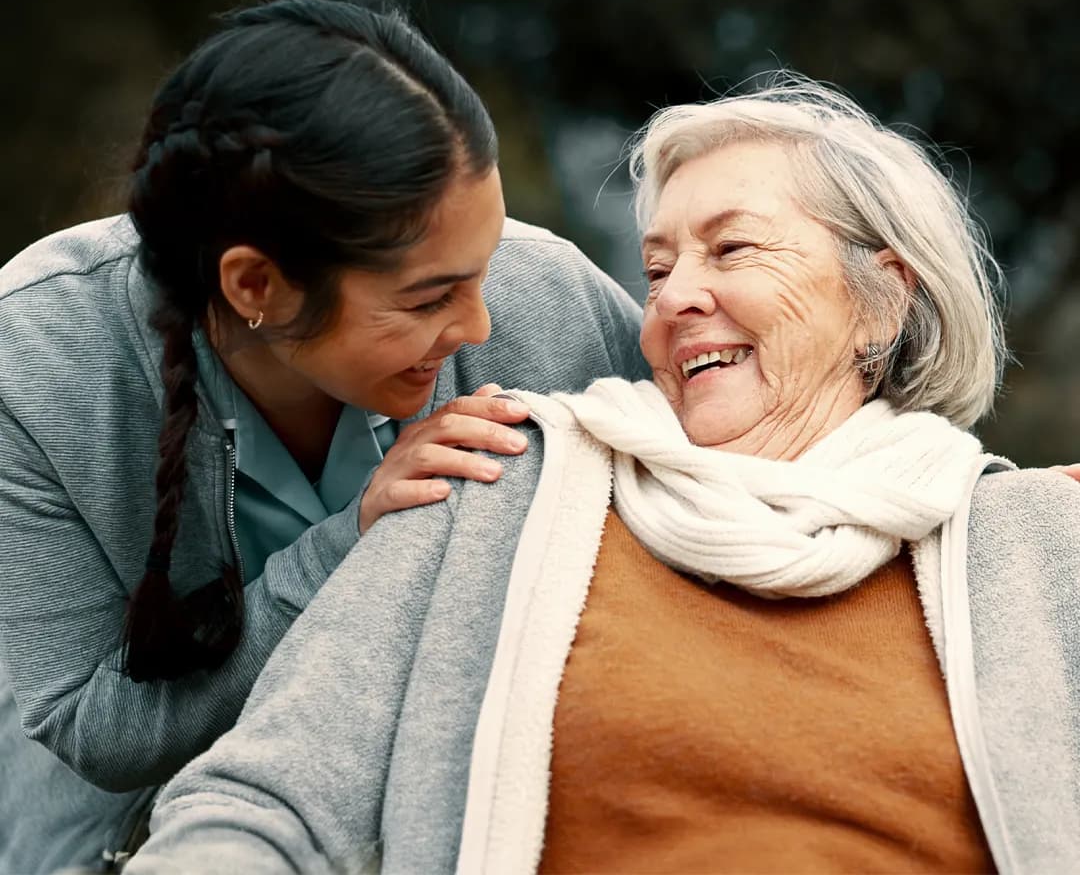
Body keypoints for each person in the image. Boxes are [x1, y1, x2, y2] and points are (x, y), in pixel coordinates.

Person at [129, 77, 1080, 875]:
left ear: (884, 301)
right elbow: (264, 806)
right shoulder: (496, 486)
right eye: (658, 271)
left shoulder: (1033, 541)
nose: (674, 302)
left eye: (733, 248)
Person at [0, 0, 648, 875]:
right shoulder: (36, 359)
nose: (480, 325)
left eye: (485, 268)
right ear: (254, 284)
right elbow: (92, 727)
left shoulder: (551, 299)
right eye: (427, 299)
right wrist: (351, 545)